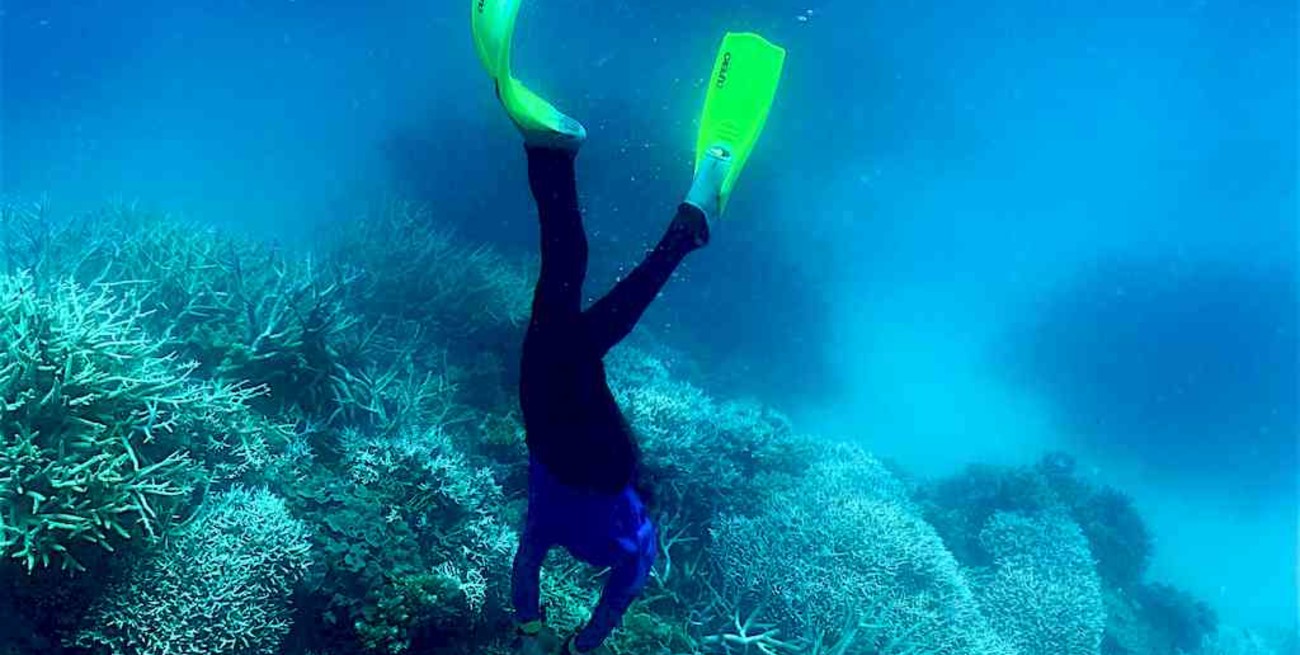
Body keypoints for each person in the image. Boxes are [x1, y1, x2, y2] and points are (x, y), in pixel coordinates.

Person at [470, 4, 784, 653]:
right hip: (544, 416)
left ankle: (687, 215)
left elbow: (614, 601)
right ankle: (550, 155)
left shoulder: (636, 544)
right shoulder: (549, 525)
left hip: (601, 452)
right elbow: (526, 565)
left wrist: (577, 644)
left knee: (592, 327)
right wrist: (536, 631)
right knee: (562, 287)